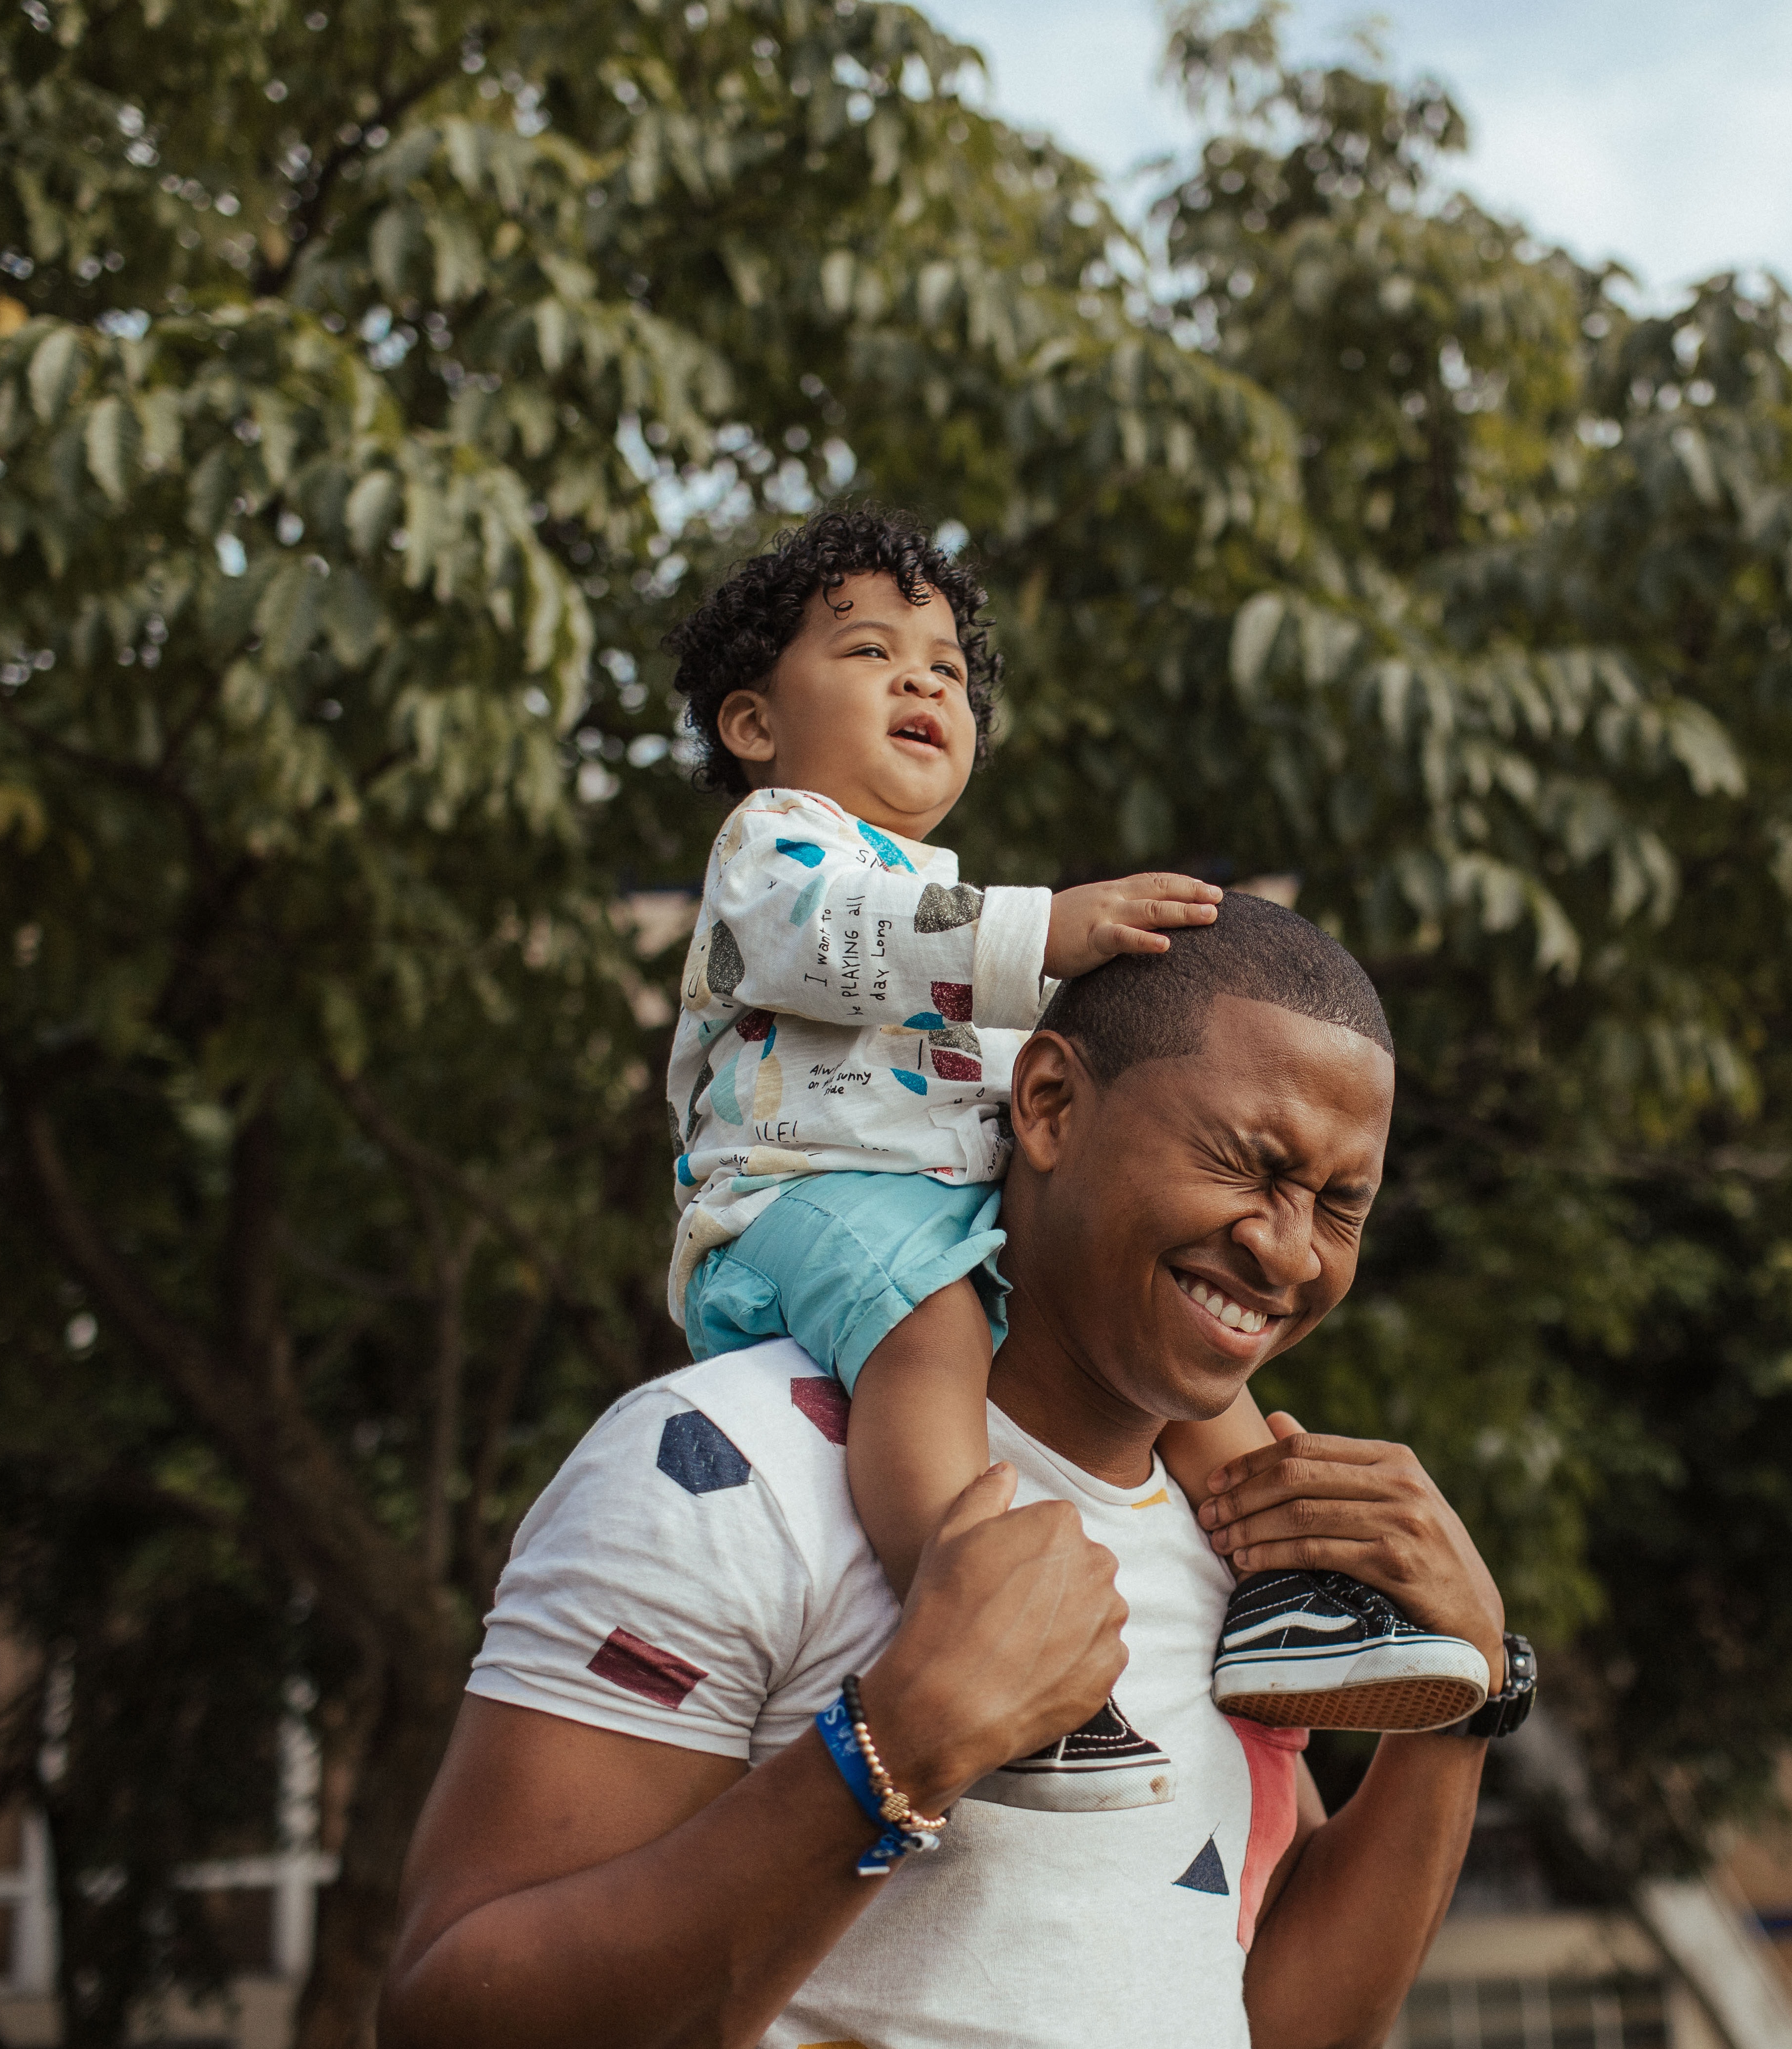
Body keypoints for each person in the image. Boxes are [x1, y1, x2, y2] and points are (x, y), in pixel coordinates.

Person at [381, 898, 1538, 2049]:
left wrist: (1468, 1690)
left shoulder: (1235, 1546)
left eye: (1340, 1204)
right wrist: (891, 1749)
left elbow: (1275, 2018)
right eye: (1247, 1163)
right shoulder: (729, 1466)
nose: (1288, 1250)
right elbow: (448, 2013)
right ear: (1048, 1105)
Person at [654, 507, 1489, 1809]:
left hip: (927, 1200)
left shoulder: (938, 898)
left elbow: (998, 1072)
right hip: (794, 1199)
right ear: (755, 723)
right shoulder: (778, 854)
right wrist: (1054, 931)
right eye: (871, 653)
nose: (923, 681)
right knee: (930, 1333)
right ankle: (981, 1620)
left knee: (1188, 1357)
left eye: (945, 669)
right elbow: (839, 939)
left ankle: (1288, 1595)